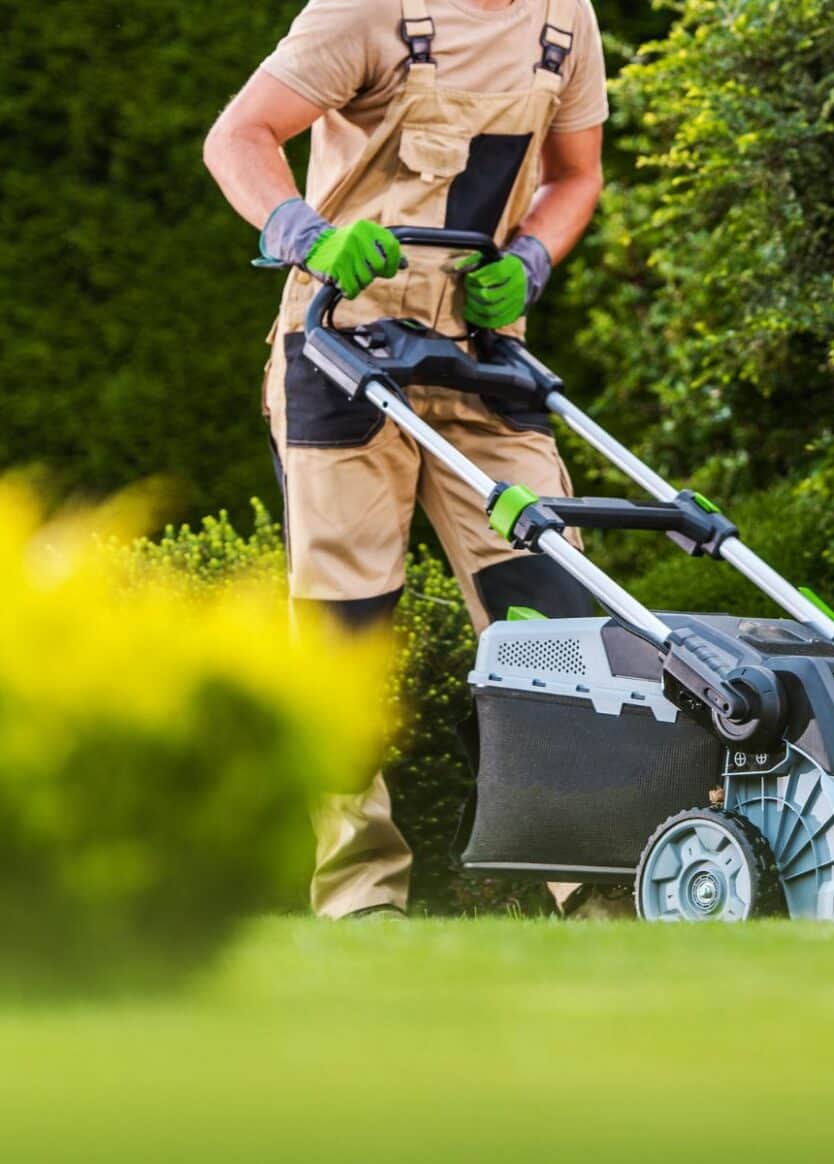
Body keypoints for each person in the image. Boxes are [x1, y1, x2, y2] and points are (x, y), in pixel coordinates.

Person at [204, 0, 610, 919]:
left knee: (551, 616)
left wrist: (536, 259)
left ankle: (591, 882)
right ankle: (361, 895)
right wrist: (308, 235)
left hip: (480, 355)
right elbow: (239, 136)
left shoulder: (565, 18)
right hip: (343, 347)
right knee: (346, 630)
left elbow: (575, 175)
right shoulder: (364, 10)